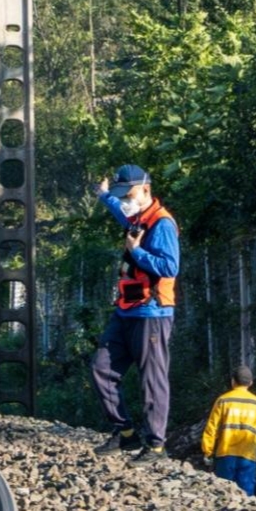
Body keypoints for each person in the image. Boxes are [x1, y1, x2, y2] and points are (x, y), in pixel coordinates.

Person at [90, 164, 180, 457]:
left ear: (145, 189)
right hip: (126, 310)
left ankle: (156, 445)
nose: (124, 200)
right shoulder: (136, 216)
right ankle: (126, 433)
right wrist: (104, 196)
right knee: (101, 368)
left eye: (127, 194)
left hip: (152, 312)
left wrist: (137, 251)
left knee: (152, 380)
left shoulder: (162, 224)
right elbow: (120, 211)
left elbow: (170, 267)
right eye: (121, 195)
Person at [199, 365, 256, 495]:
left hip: (225, 452)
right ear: (251, 383)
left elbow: (212, 427)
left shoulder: (223, 400)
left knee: (224, 493)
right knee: (246, 493)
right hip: (248, 453)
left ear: (233, 381)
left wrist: (208, 451)